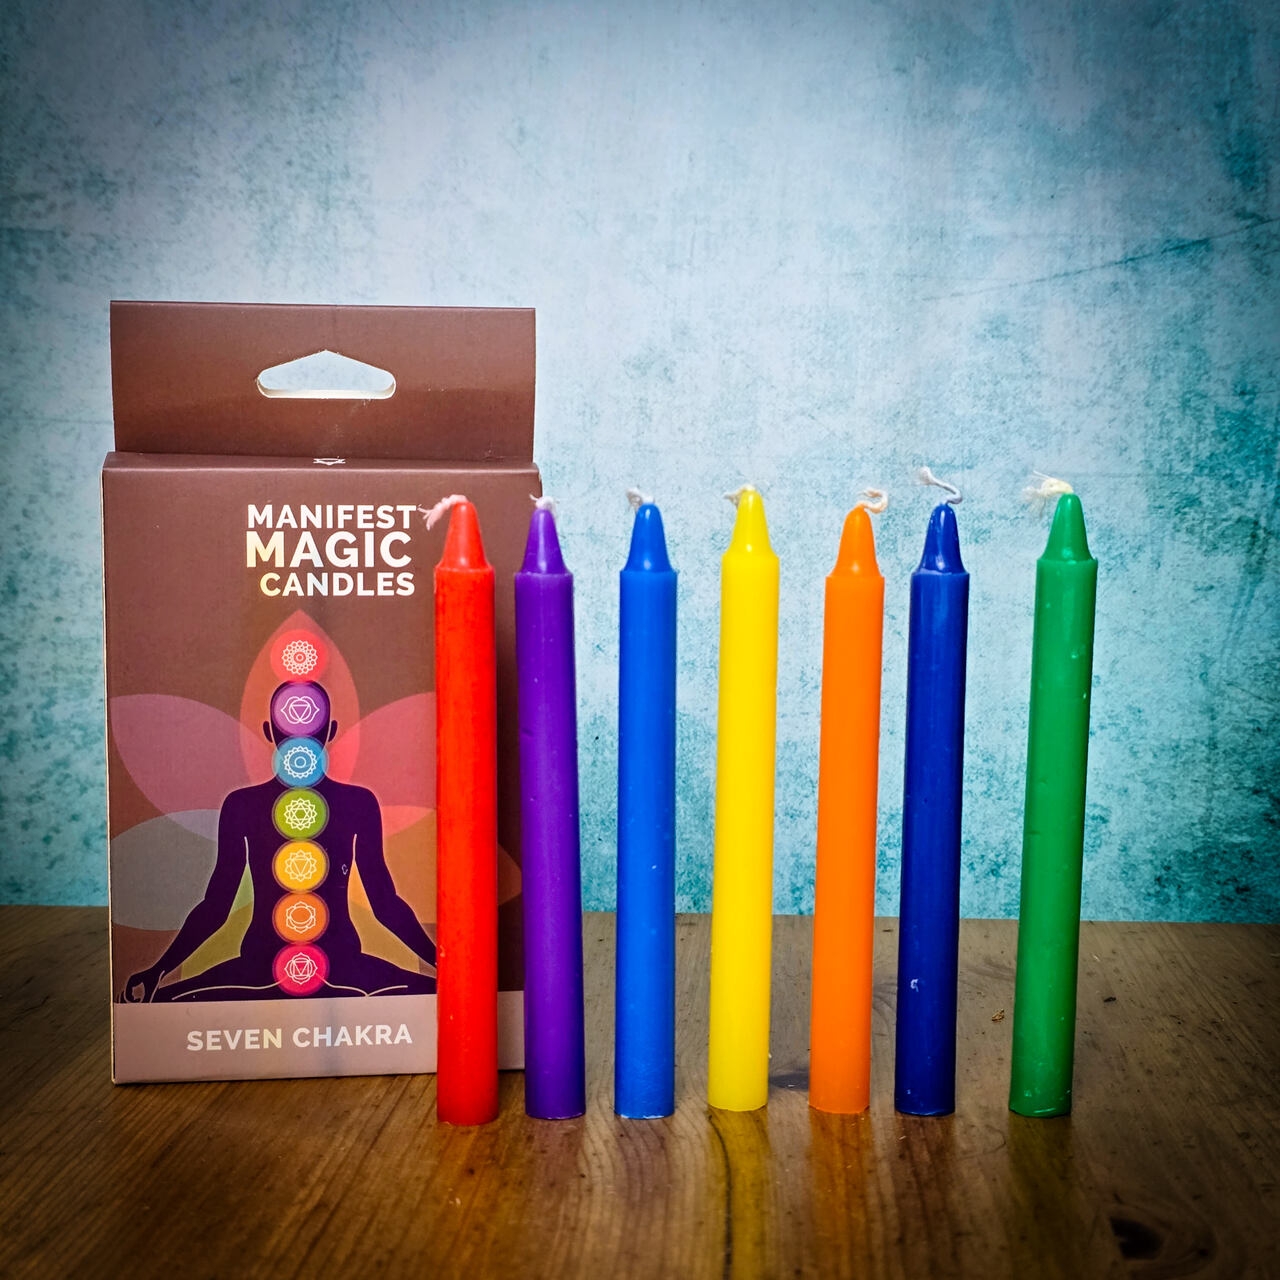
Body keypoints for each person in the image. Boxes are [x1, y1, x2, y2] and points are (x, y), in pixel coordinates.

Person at [121, 682, 436, 1002]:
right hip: (268, 964)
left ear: (269, 731)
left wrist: (442, 964)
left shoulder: (353, 803)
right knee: (165, 1002)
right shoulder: (247, 805)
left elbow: (384, 904)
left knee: (434, 992)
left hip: (333, 962)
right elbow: (217, 907)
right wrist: (158, 970)